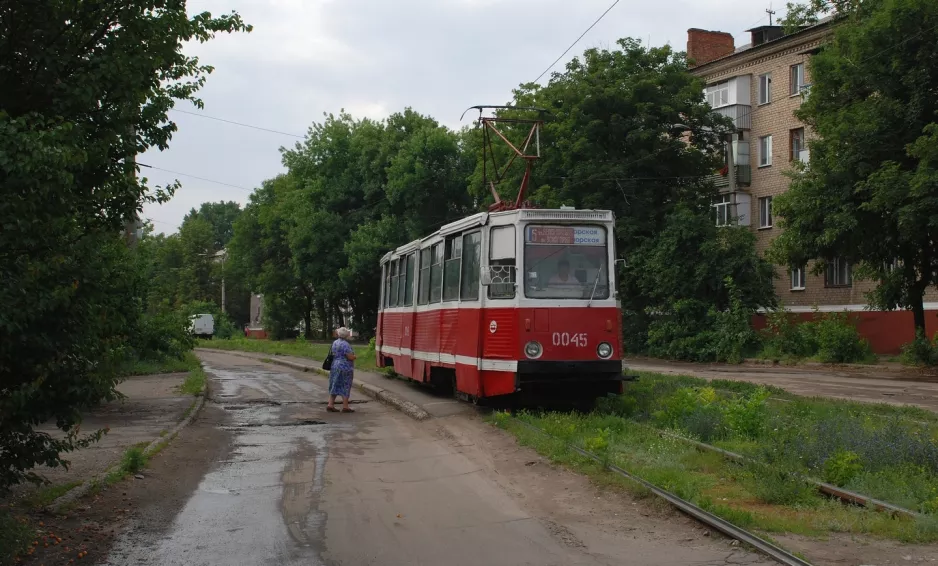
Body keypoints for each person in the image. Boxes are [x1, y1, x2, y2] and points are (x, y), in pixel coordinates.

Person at [326, 327, 357, 413]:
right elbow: (350, 357)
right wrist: (355, 356)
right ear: (346, 335)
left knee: (334, 384)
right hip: (344, 367)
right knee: (345, 385)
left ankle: (330, 404)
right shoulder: (345, 344)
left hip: (335, 365)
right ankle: (345, 406)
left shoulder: (335, 342)